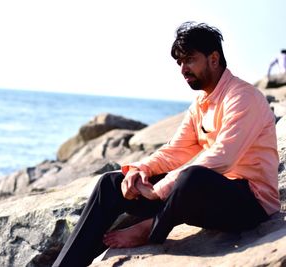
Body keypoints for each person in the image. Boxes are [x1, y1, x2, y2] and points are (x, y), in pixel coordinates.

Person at [53, 21, 280, 267]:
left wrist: (161, 189)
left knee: (192, 177)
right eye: (179, 63)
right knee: (110, 184)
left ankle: (152, 229)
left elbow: (223, 157)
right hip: (197, 199)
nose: (183, 69)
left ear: (214, 59)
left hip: (250, 203)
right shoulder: (200, 104)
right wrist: (141, 171)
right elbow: (175, 151)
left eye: (190, 60)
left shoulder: (243, 97)